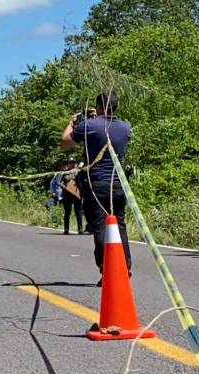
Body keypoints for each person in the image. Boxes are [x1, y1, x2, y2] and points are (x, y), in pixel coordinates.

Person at [60, 90, 132, 285]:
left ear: (99, 106)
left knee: (100, 227)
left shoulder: (89, 126)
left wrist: (73, 122)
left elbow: (65, 143)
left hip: (97, 183)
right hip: (118, 184)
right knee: (120, 226)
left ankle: (107, 270)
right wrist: (95, 118)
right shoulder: (125, 128)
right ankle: (125, 268)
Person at [60, 160, 83, 235]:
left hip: (76, 194)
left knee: (78, 212)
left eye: (73, 163)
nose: (72, 164)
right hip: (67, 194)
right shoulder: (64, 172)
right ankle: (66, 229)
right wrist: (64, 187)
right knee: (67, 212)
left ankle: (80, 229)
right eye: (70, 163)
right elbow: (58, 181)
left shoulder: (78, 171)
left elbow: (82, 181)